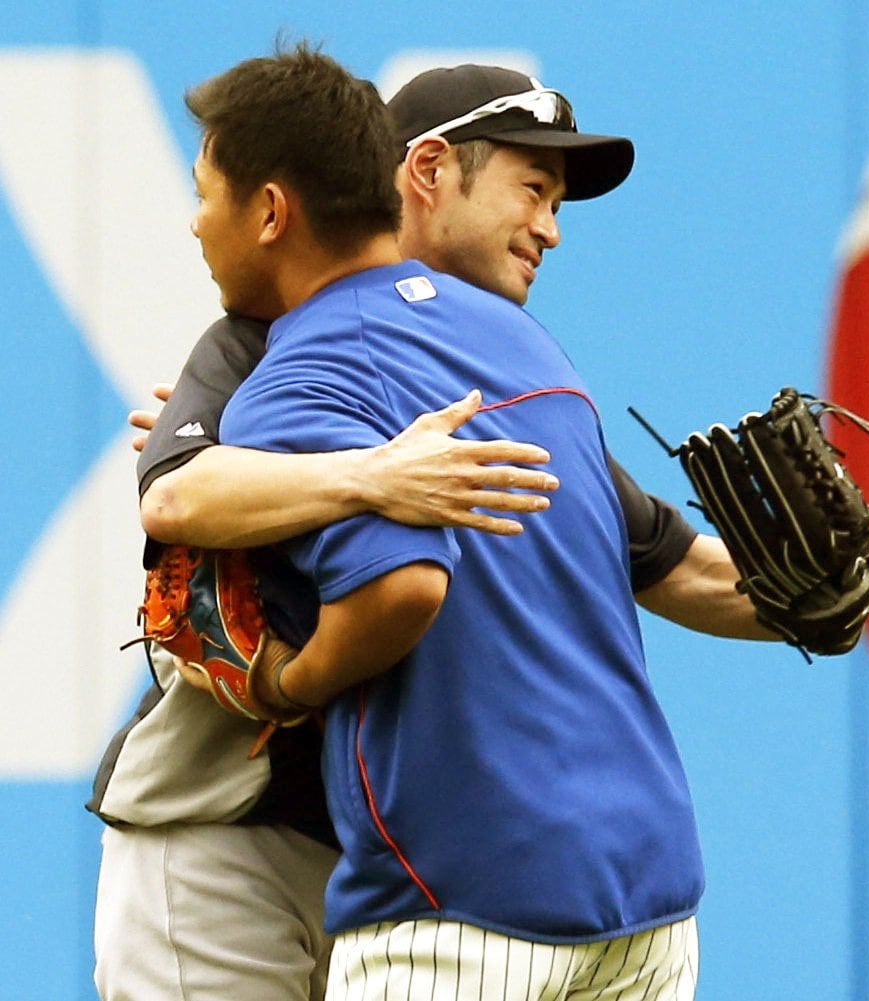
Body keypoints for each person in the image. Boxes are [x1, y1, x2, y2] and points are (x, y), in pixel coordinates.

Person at [87, 55, 764, 1001]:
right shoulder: (270, 334)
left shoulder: (504, 361)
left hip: (406, 845)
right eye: (531, 187)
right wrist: (370, 478)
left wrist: (818, 595)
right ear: (426, 171)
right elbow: (178, 492)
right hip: (231, 819)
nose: (550, 230)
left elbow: (672, 564)